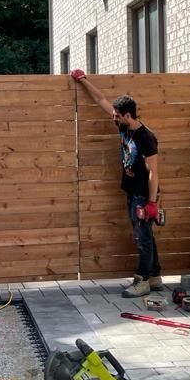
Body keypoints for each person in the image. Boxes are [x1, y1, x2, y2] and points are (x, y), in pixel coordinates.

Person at [70, 69, 161, 297]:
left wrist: (151, 203)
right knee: (145, 234)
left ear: (128, 115)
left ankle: (142, 281)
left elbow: (153, 172)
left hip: (143, 194)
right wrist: (84, 81)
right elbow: (102, 100)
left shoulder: (145, 138)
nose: (114, 118)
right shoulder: (123, 126)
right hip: (132, 192)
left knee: (142, 237)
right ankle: (155, 276)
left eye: (117, 115)